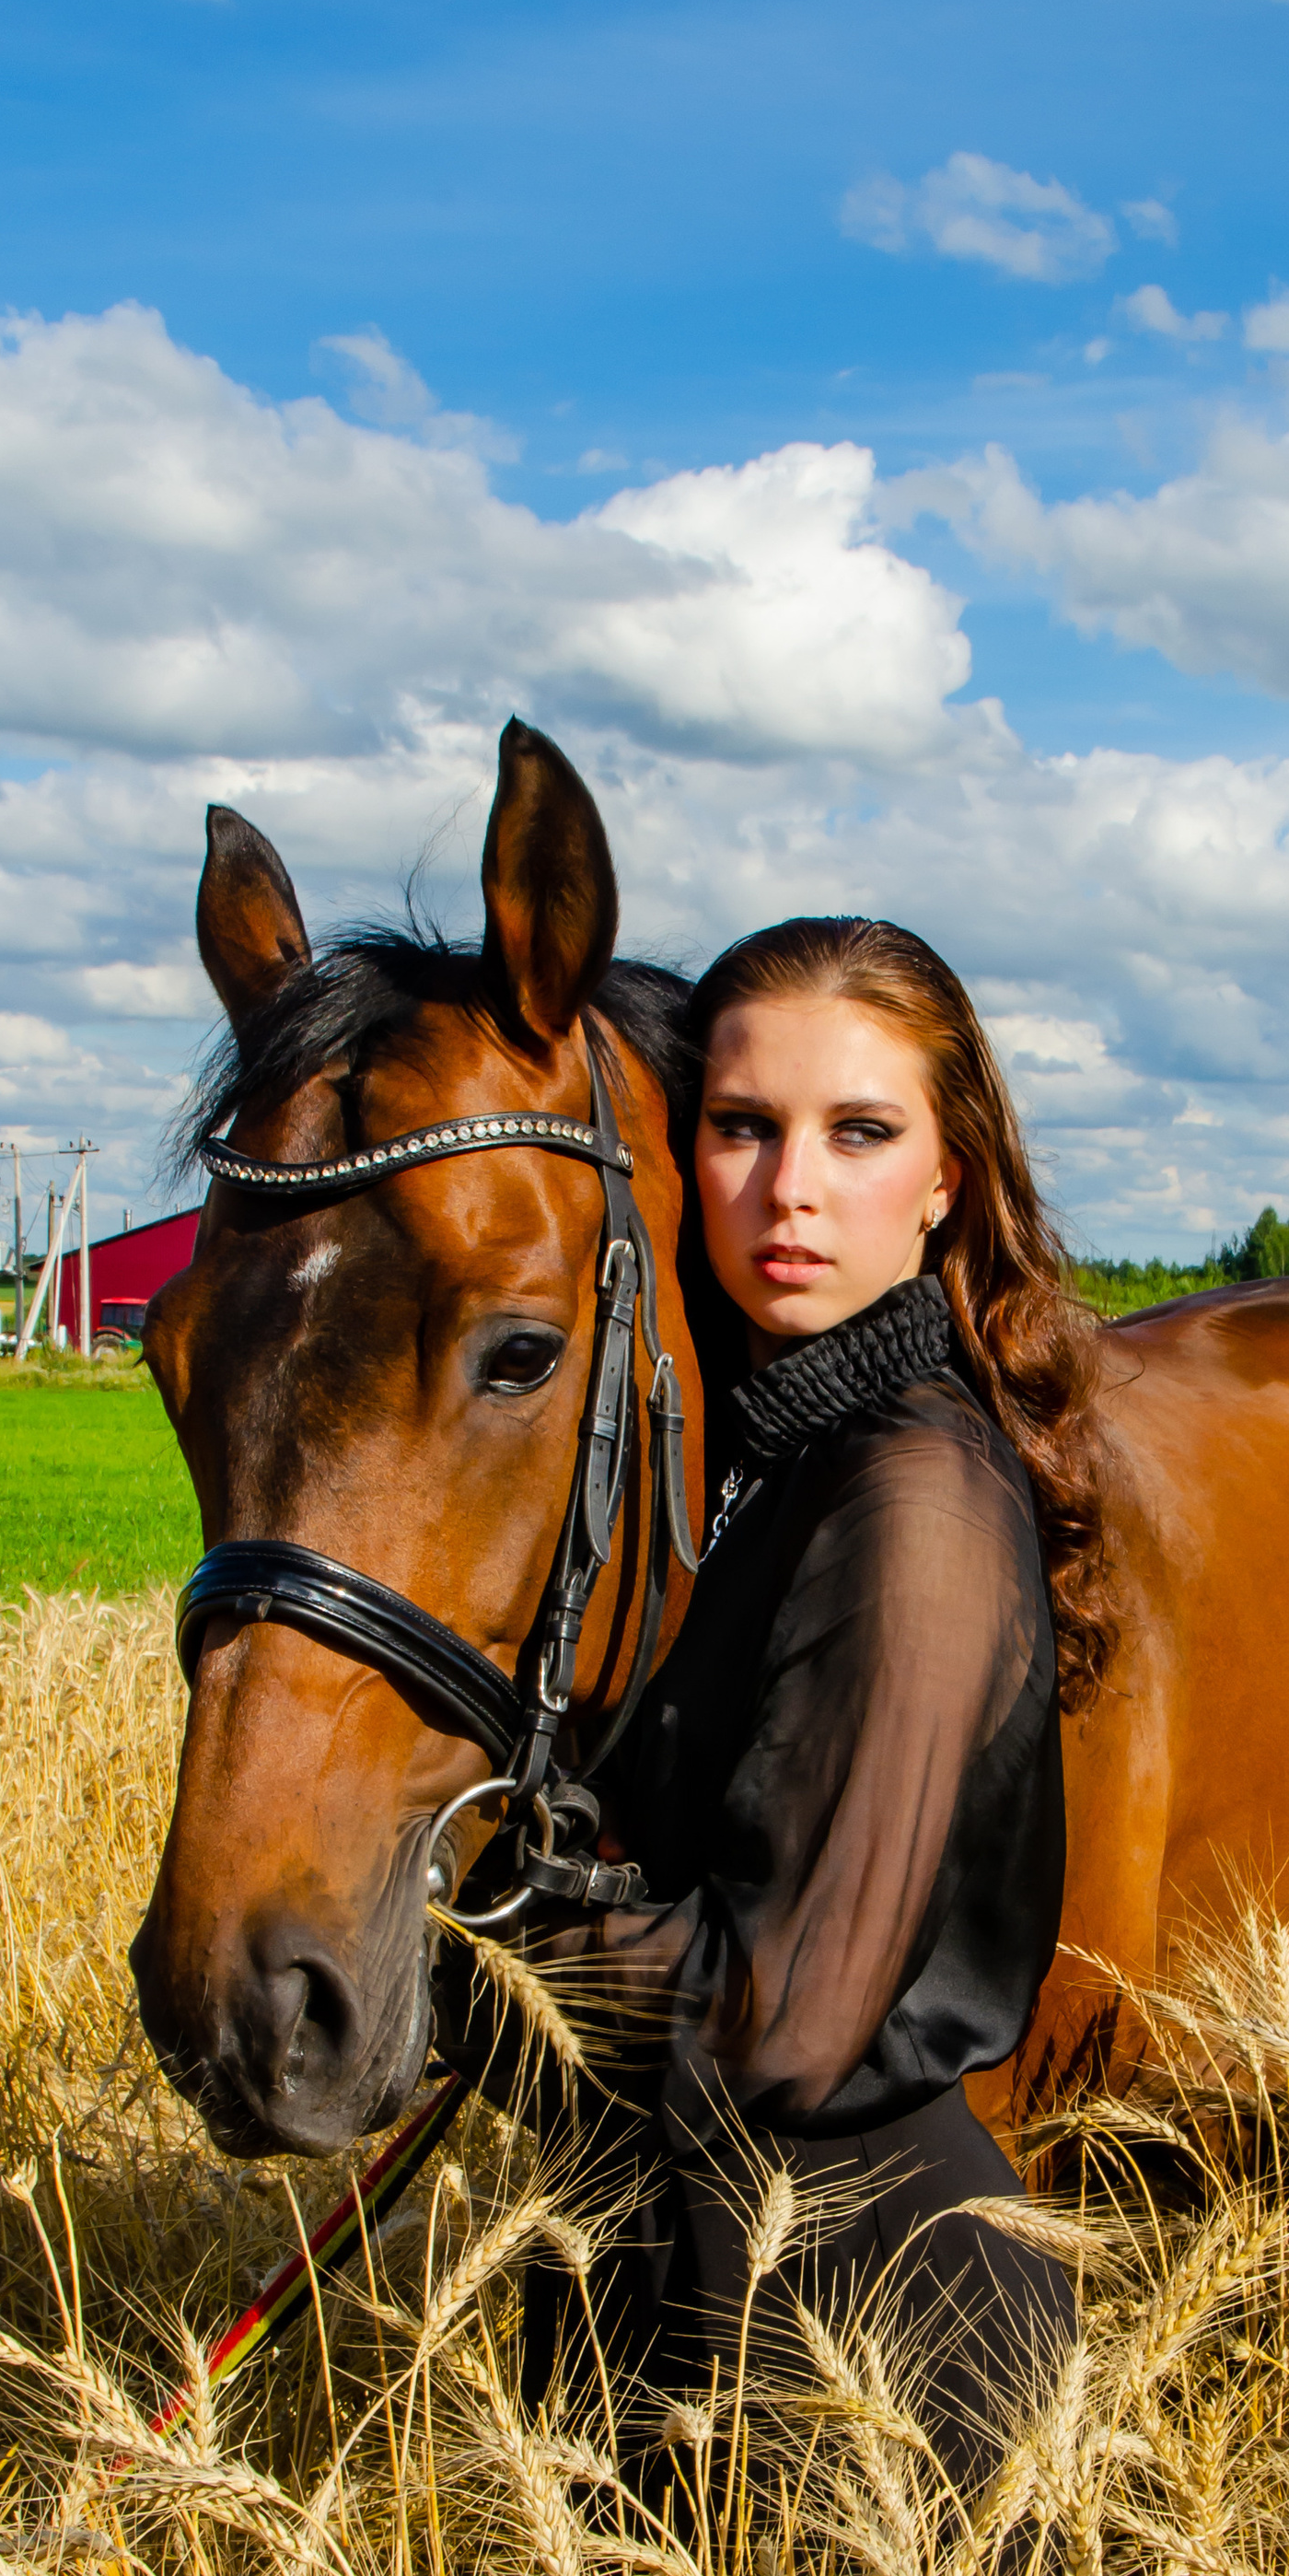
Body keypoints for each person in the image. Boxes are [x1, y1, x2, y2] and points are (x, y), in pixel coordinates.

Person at [483, 916, 1116, 2496]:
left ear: (949, 1177)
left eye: (861, 1132)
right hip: (685, 2313)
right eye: (743, 1128)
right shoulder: (759, 1459)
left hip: (873, 2377)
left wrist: (474, 1923)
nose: (792, 1191)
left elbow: (782, 2021)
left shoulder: (913, 1499)